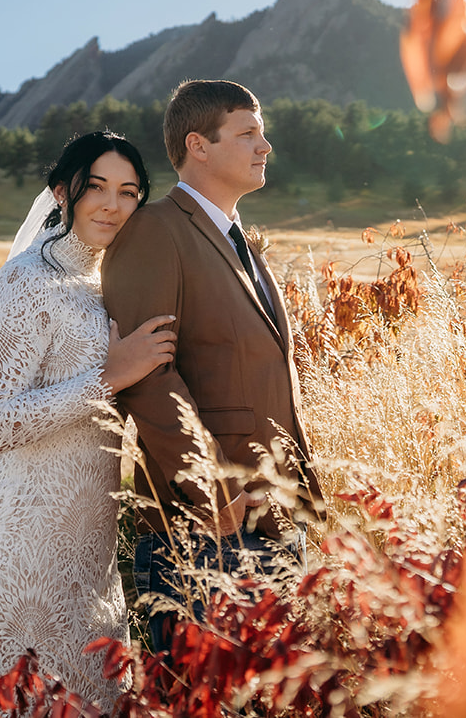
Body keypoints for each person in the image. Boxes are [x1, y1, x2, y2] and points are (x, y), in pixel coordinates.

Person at [0, 131, 177, 716]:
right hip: (18, 535)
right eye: (96, 188)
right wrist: (106, 378)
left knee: (89, 693)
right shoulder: (24, 283)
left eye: (128, 192)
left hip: (87, 540)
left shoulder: (107, 284)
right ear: (62, 192)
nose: (112, 206)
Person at [101, 79, 326, 654]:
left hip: (270, 513)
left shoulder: (238, 240)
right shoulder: (155, 229)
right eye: (248, 132)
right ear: (198, 145)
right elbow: (148, 377)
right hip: (203, 526)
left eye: (262, 132)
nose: (265, 145)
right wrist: (213, 487)